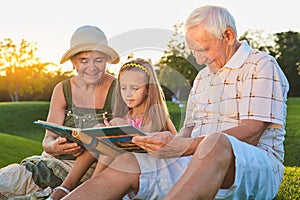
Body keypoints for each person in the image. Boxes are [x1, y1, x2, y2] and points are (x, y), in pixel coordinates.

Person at [62, 5, 289, 200]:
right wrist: (167, 144)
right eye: (194, 51)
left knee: (216, 143)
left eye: (205, 49)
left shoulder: (261, 65)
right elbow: (189, 129)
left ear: (228, 36)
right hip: (195, 161)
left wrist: (186, 146)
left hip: (256, 167)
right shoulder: (203, 78)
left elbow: (252, 132)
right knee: (130, 161)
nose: (200, 59)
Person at [0, 25, 119, 199]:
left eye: (98, 60)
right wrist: (55, 146)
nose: (91, 67)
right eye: (83, 60)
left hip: (91, 172)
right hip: (50, 164)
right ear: (73, 62)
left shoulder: (120, 89)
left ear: (106, 60)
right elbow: (47, 141)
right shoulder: (62, 90)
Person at [48, 58, 177, 200]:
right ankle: (66, 187)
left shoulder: (154, 115)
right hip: (120, 165)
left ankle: (92, 183)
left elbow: (177, 147)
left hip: (143, 169)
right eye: (123, 88)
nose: (128, 93)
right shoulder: (126, 114)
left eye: (135, 88)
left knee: (114, 124)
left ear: (148, 89)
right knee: (100, 128)